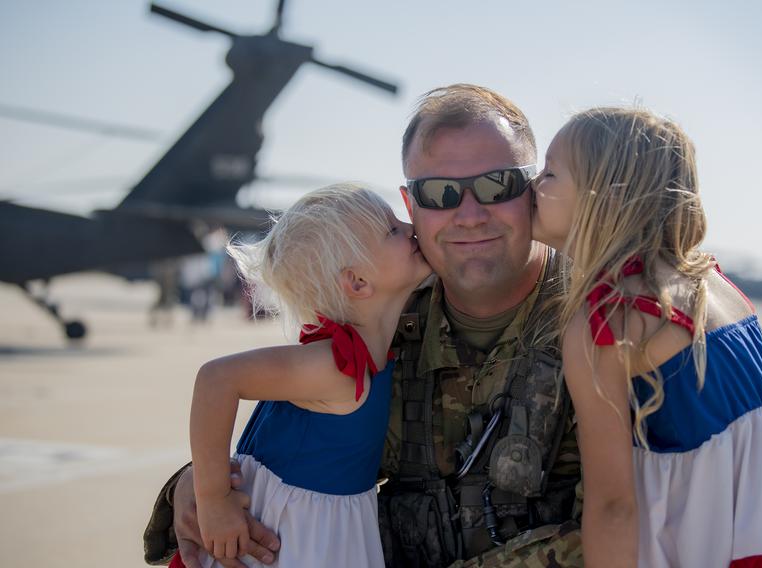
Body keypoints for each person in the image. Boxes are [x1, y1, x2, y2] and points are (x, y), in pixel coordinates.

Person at [143, 85, 584, 568]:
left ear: (534, 189)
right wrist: (199, 486)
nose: (470, 214)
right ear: (409, 205)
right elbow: (299, 442)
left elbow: (629, 523)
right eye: (439, 193)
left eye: (498, 185)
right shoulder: (383, 309)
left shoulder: (600, 320)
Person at [531, 106, 762, 566]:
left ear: (599, 196)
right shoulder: (713, 285)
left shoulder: (610, 321)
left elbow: (613, 507)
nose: (531, 187)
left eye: (549, 173)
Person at [176, 183, 432, 567]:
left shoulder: (361, 357)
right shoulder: (333, 367)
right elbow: (217, 378)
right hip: (291, 541)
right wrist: (213, 500)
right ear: (358, 283)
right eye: (392, 230)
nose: (410, 227)